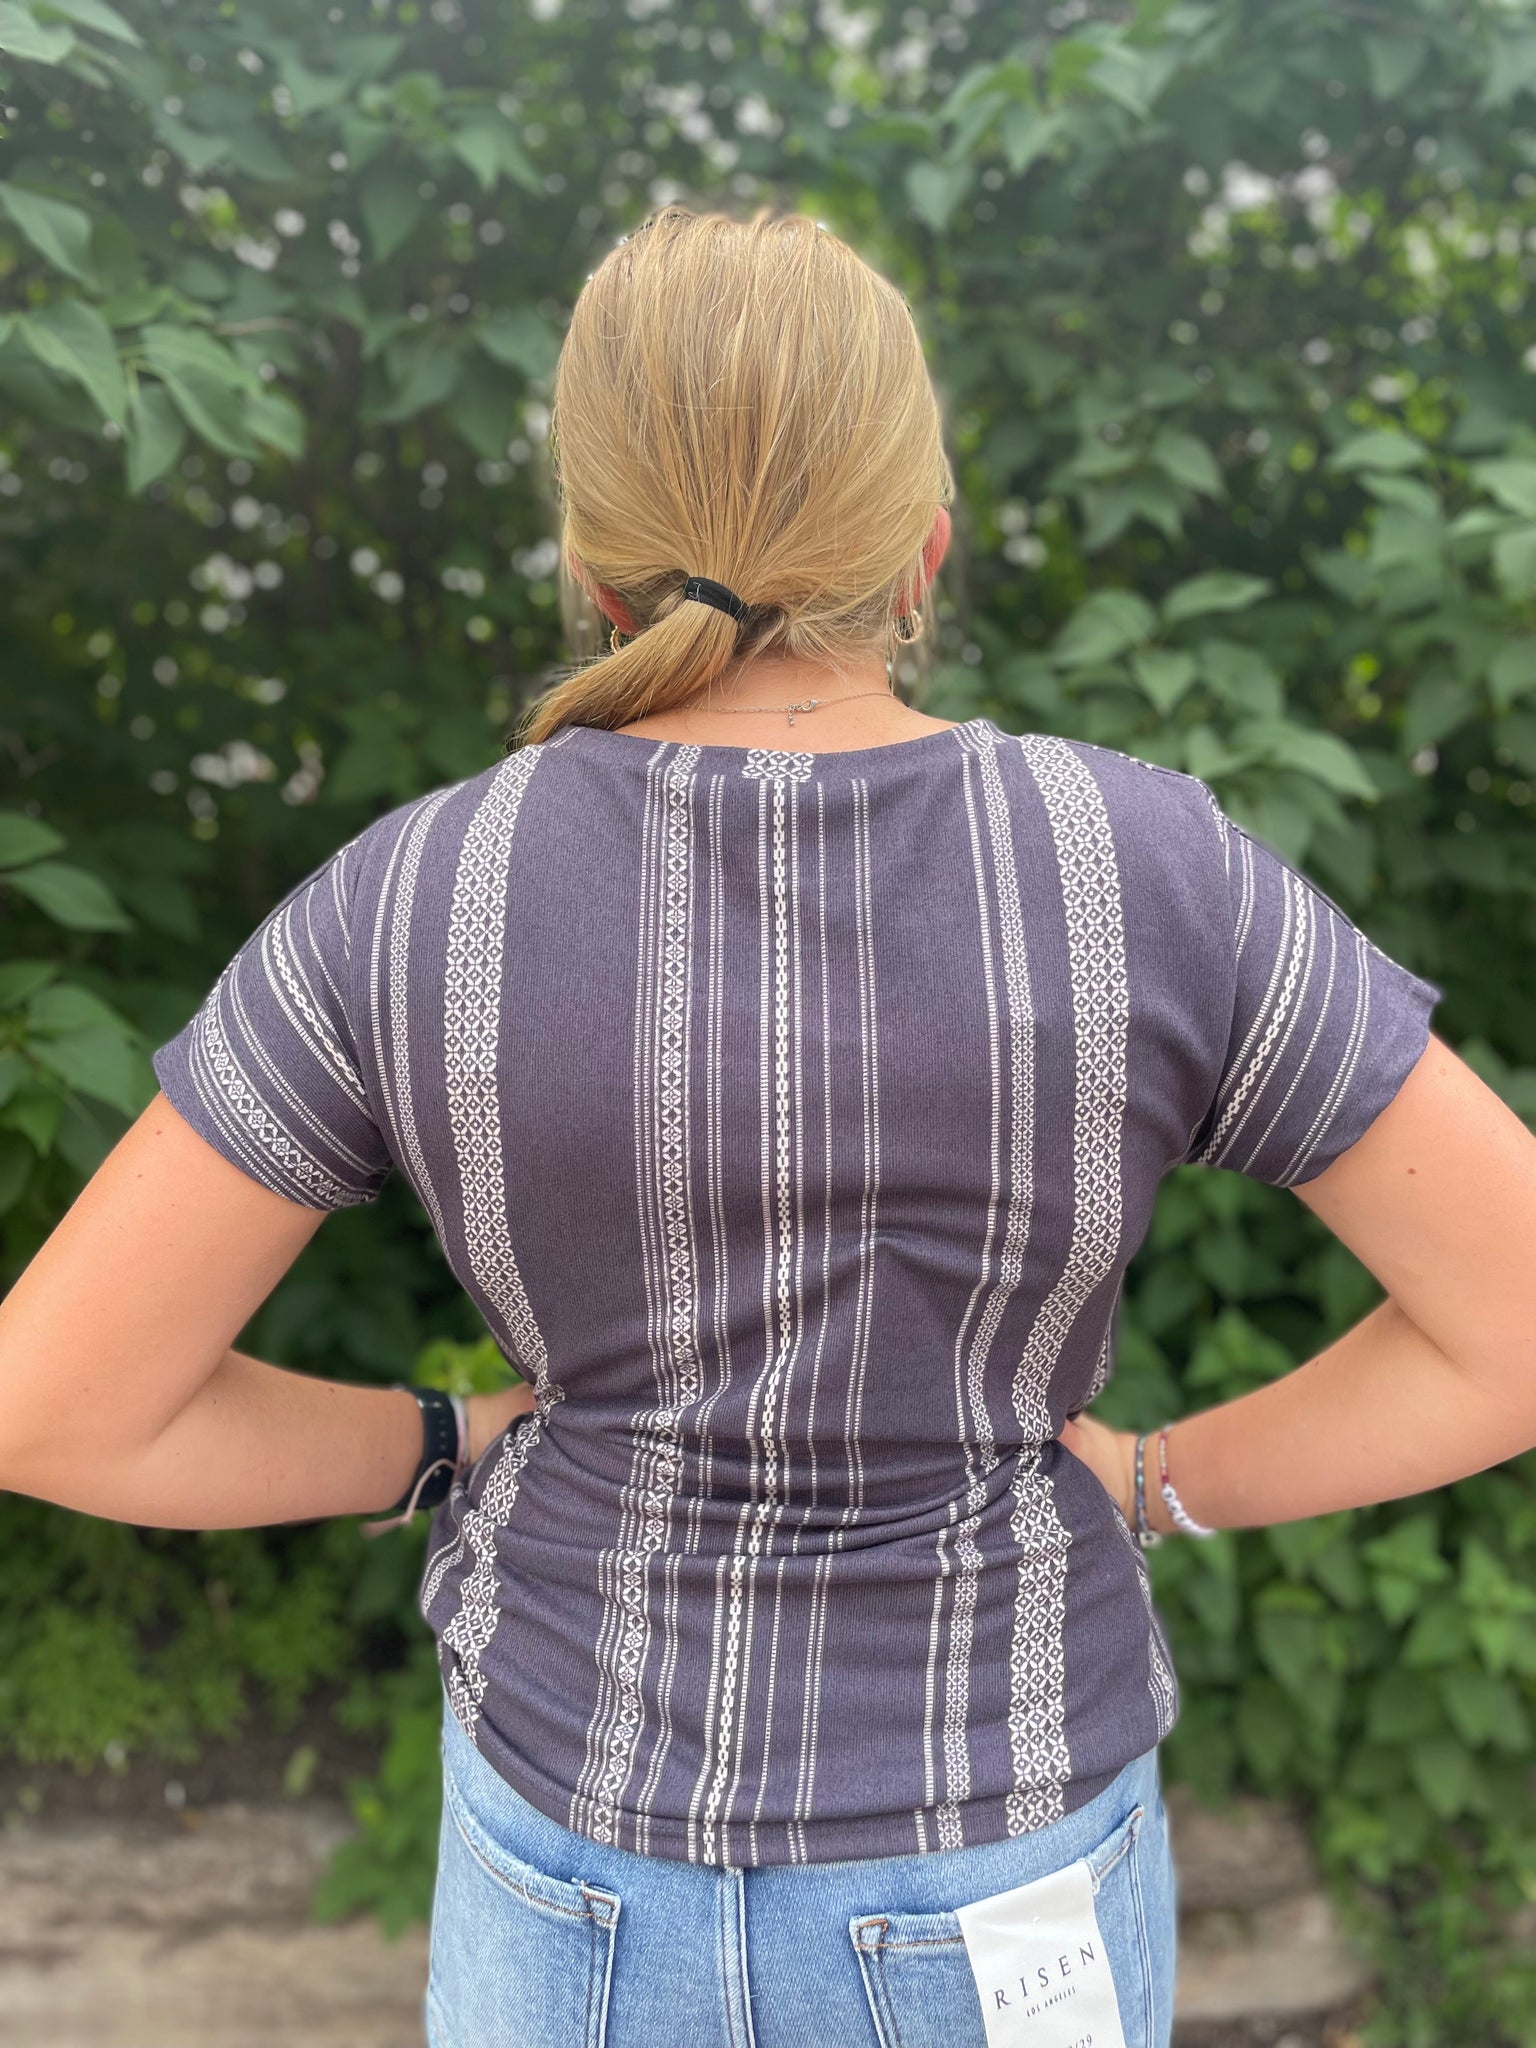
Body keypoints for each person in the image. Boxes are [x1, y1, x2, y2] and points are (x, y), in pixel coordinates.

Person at [2, 205, 1533, 2048]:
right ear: (925, 546)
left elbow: (55, 1404)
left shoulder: (416, 899)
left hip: (571, 1857)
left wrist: (443, 1443)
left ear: (590, 565)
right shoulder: (1141, 870)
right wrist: (1158, 1479)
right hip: (1000, 1852)